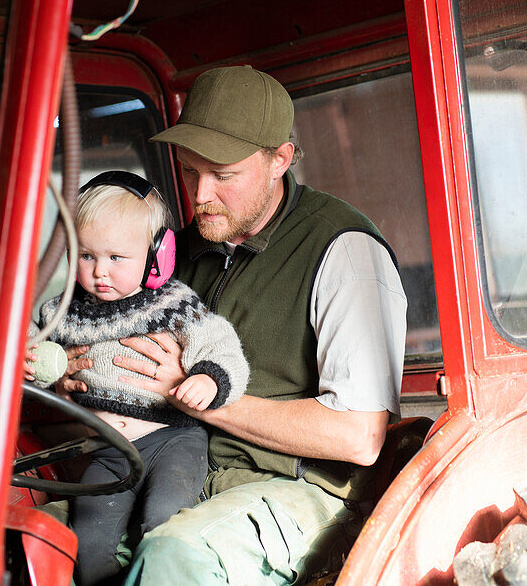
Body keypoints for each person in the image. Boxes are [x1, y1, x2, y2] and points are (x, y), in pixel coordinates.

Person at [112, 65, 408, 584]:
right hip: (180, 472)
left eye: (223, 176)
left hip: (303, 491)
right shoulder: (184, 252)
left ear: (280, 160)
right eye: (188, 171)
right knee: (33, 535)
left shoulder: (342, 250)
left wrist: (192, 392)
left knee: (175, 557)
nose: (200, 193)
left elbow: (359, 438)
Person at [25, 171, 249, 586]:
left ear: (156, 257)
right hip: (109, 453)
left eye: (115, 258)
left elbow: (222, 349)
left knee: (161, 526)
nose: (99, 273)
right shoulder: (62, 311)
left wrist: (210, 381)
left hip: (174, 442)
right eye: (87, 256)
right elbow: (41, 356)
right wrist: (36, 369)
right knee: (88, 543)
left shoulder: (173, 304)